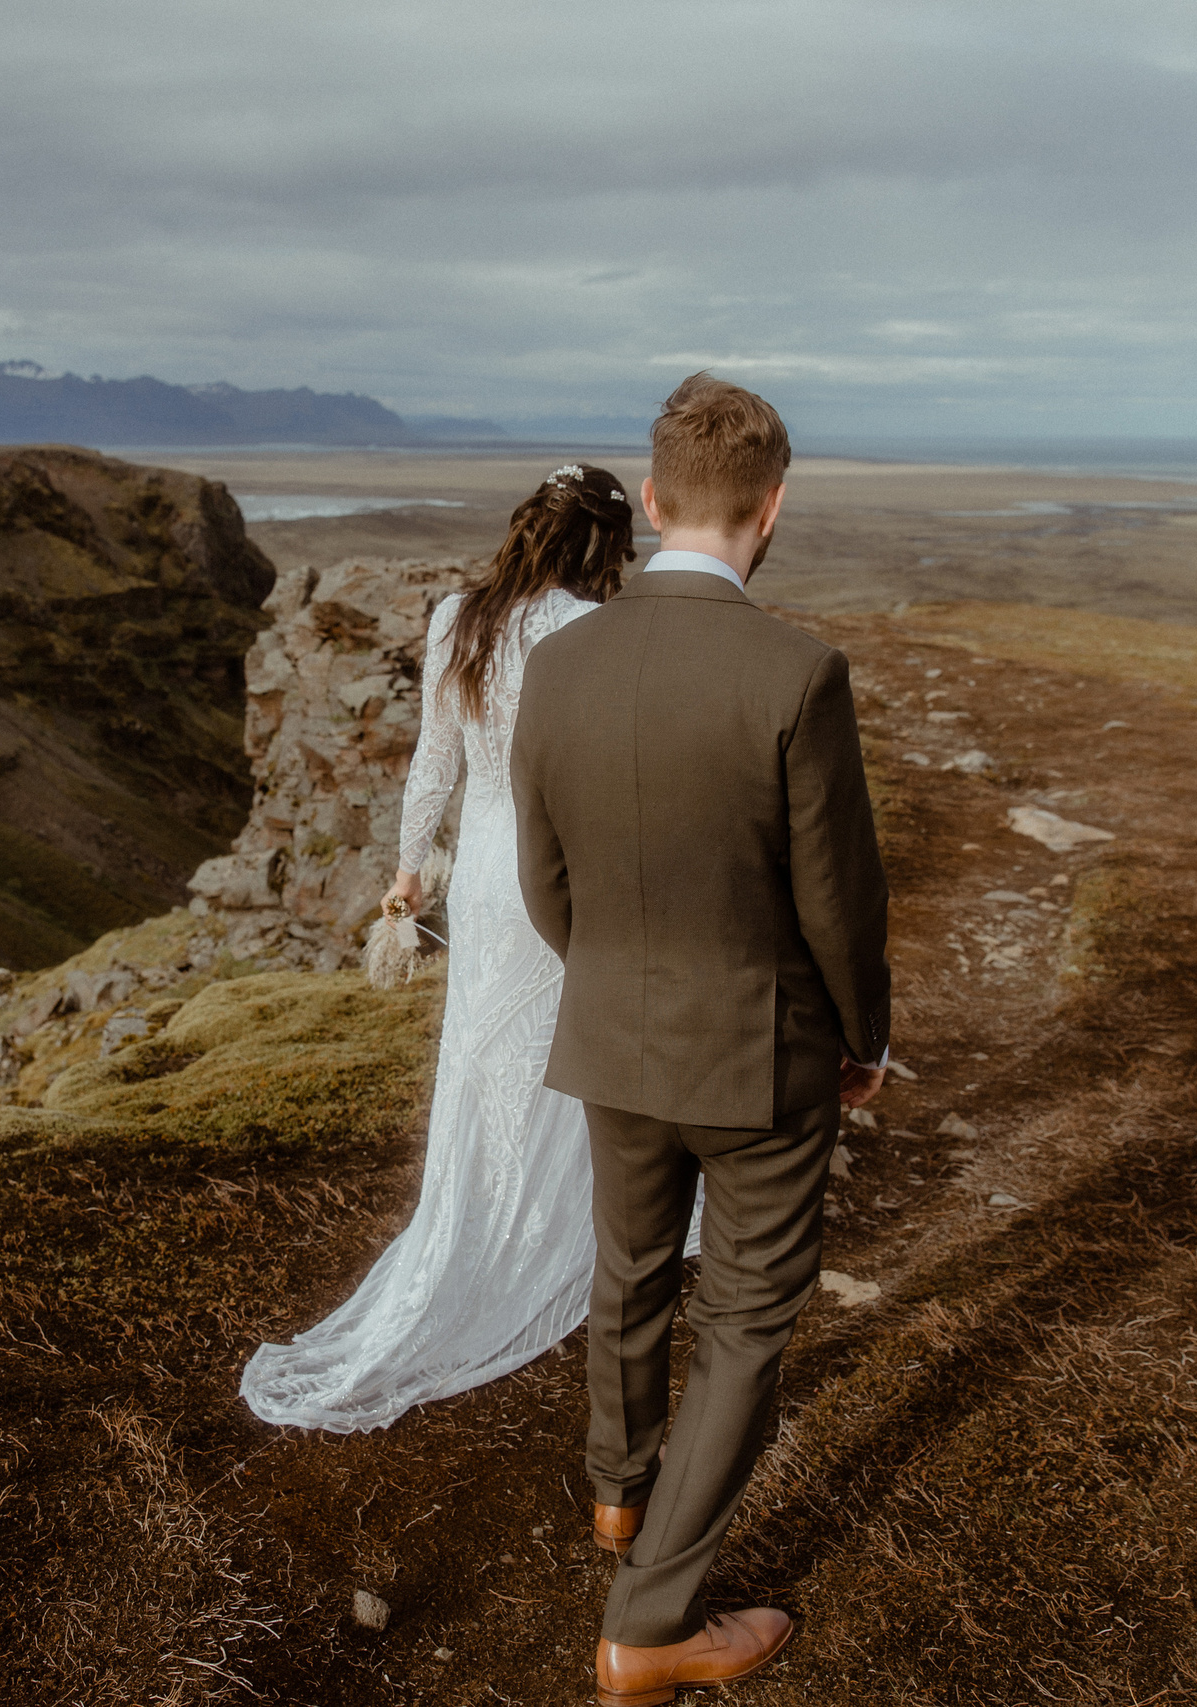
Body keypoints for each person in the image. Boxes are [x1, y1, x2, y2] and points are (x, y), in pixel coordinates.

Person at [511, 373, 892, 1705]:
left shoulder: (557, 664)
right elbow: (839, 901)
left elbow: (544, 883)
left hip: (612, 1036)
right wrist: (867, 1038)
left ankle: (622, 1496)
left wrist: (615, 982)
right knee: (742, 1319)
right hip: (761, 1056)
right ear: (772, 508)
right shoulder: (798, 673)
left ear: (657, 497)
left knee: (628, 1267)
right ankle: (652, 1622)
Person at [238, 463, 695, 1431]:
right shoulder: (593, 629)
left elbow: (431, 765)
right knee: (568, 1053)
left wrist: (408, 875)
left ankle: (484, 1226)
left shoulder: (459, 617)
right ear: (603, 545)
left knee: (486, 1060)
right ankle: (560, 1234)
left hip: (486, 883)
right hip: (566, 872)